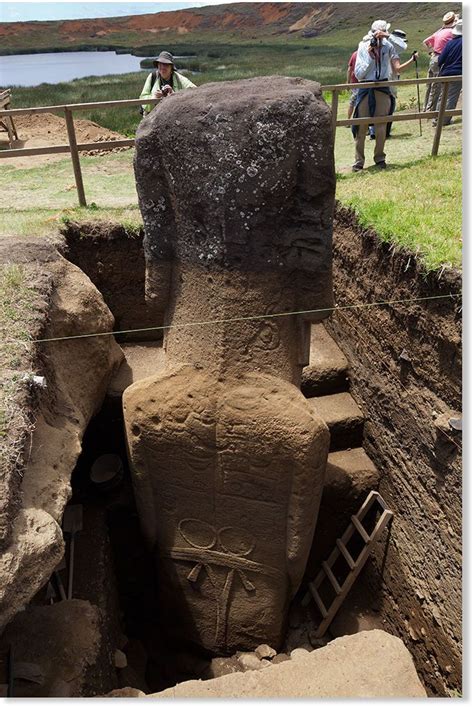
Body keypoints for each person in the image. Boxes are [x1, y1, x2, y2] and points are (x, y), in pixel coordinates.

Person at [351, 20, 398, 171]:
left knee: (381, 125)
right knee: (361, 126)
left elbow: (402, 47)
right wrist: (372, 58)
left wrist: (388, 36)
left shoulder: (388, 45)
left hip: (382, 86)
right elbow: (358, 74)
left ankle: (380, 157)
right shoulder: (363, 46)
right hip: (366, 86)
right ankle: (359, 161)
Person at [139, 50, 196, 115]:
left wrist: (174, 95)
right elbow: (142, 99)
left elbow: (195, 91)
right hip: (153, 118)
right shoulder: (152, 77)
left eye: (165, 64)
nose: (162, 67)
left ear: (171, 67)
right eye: (160, 64)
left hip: (174, 116)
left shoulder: (179, 78)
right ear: (157, 65)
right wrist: (154, 98)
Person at [422, 11, 457, 112]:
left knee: (430, 84)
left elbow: (425, 41)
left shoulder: (439, 32)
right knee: (437, 86)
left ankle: (425, 108)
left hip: (433, 58)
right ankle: (431, 110)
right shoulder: (452, 32)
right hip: (441, 59)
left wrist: (431, 51)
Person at [434, 18, 462, 126]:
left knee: (442, 96)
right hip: (458, 73)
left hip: (445, 72)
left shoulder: (450, 43)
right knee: (452, 97)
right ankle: (444, 121)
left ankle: (436, 118)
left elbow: (440, 60)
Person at [346, 50, 359, 121]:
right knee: (357, 102)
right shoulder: (366, 54)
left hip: (354, 83)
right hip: (362, 82)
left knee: (352, 102)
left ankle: (348, 120)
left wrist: (348, 82)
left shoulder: (354, 54)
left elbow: (349, 69)